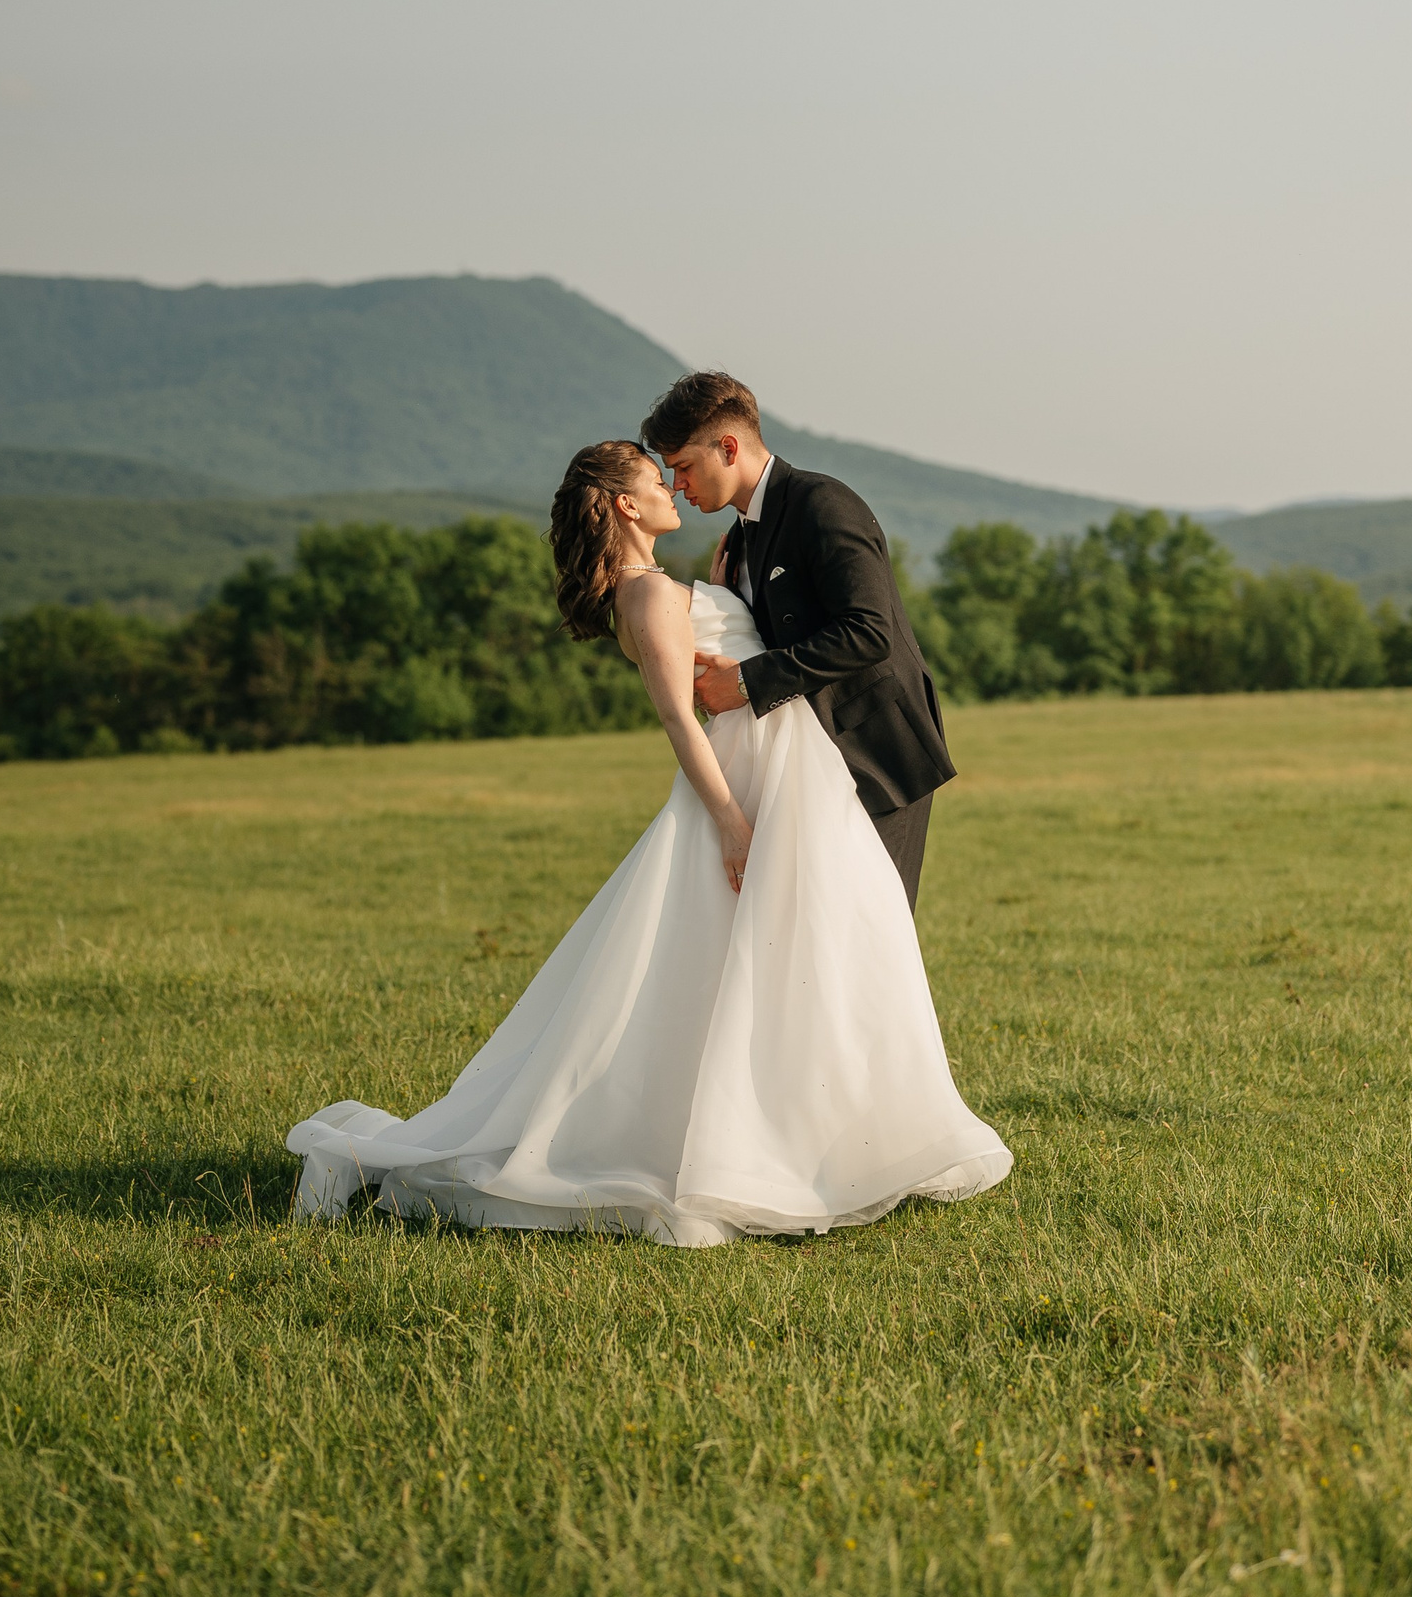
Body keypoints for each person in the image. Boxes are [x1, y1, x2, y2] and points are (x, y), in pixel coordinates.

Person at [287, 436, 1010, 1246]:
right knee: (787, 958)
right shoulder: (651, 596)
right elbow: (679, 719)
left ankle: (828, 1139)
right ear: (627, 506)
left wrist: (729, 586)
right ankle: (791, 1147)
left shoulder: (663, 586)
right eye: (655, 481)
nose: (673, 488)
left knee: (803, 957)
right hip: (750, 785)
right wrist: (731, 822)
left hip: (789, 772)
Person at [643, 370, 952, 913]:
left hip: (874, 754)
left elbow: (869, 632)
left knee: (870, 929)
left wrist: (745, 682)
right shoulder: (739, 537)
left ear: (729, 448)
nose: (677, 485)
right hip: (808, 763)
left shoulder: (822, 504)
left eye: (684, 466)